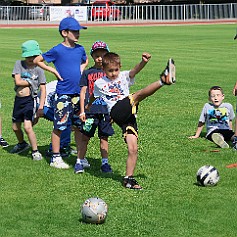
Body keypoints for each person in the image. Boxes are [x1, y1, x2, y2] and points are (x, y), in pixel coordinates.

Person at [86, 52, 176, 189]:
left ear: (120, 67)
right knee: (137, 96)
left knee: (133, 147)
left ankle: (129, 179)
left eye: (116, 70)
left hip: (129, 114)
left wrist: (143, 62)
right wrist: (88, 105)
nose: (113, 73)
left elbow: (134, 71)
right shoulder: (100, 83)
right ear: (103, 70)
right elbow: (94, 95)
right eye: (110, 71)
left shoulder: (123, 76)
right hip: (116, 111)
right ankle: (163, 80)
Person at [33, 17, 88, 169]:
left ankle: (80, 158)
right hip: (63, 93)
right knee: (60, 125)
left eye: (78, 31)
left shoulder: (80, 49)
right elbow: (38, 60)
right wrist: (53, 71)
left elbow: (85, 60)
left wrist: (81, 69)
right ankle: (55, 157)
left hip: (78, 94)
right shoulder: (57, 50)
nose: (77, 34)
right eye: (74, 31)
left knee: (78, 126)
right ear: (64, 32)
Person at [77, 41, 114, 174]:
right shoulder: (88, 73)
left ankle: (105, 163)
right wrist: (82, 110)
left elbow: (114, 93)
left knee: (104, 138)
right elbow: (83, 92)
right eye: (97, 55)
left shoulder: (110, 73)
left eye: (103, 55)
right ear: (92, 57)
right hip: (90, 112)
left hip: (105, 112)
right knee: (85, 137)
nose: (100, 58)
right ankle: (79, 162)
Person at [11, 40, 46, 160]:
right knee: (15, 127)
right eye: (29, 56)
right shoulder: (19, 64)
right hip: (18, 100)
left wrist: (41, 106)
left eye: (34, 56)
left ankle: (35, 151)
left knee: (27, 127)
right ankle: (22, 144)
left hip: (30, 100)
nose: (31, 58)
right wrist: (32, 82)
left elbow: (43, 88)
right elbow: (17, 81)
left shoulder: (39, 69)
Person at [35, 80, 74, 157]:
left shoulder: (67, 83)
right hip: (43, 105)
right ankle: (55, 149)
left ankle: (64, 146)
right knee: (64, 121)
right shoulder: (66, 84)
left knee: (68, 121)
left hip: (45, 104)